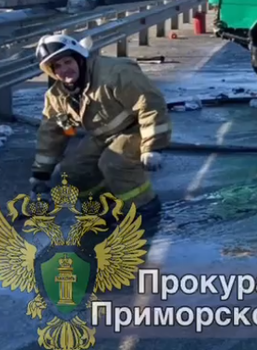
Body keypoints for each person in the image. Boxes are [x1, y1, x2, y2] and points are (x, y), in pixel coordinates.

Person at [31, 33, 172, 232]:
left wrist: (153, 146)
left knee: (114, 162)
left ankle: (144, 210)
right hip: (104, 134)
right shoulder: (58, 96)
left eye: (67, 61)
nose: (65, 70)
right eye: (57, 67)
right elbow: (52, 134)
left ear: (79, 58)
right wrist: (41, 175)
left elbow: (150, 105)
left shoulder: (115, 73)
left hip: (137, 127)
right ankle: (104, 207)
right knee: (72, 169)